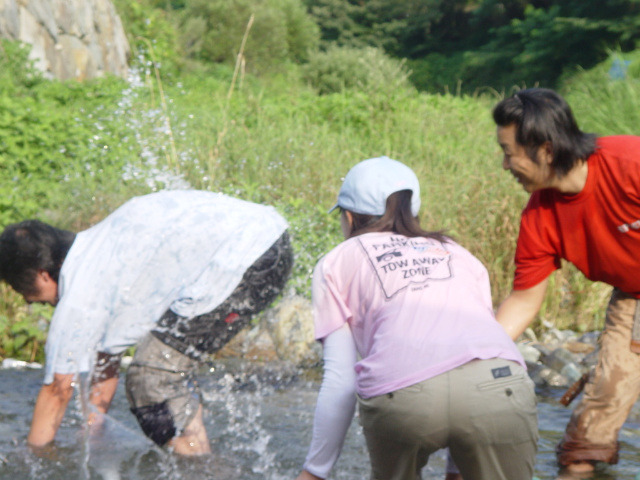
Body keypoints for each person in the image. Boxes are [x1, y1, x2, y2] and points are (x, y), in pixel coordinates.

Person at [295, 156, 538, 480]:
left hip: (403, 394)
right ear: (413, 212)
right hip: (500, 384)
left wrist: (316, 471)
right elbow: (470, 346)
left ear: (349, 217)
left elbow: (340, 380)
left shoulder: (336, 260)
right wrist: (456, 470)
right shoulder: (459, 253)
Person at [0, 189, 293, 455]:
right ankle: (195, 449)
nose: (28, 301)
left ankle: (204, 470)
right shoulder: (99, 252)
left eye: (23, 291)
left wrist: (35, 459)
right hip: (269, 238)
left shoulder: (78, 297)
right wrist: (92, 435)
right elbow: (105, 362)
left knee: (152, 380)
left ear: (42, 274)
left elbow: (57, 390)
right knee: (162, 371)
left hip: (247, 260)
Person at [493, 87, 640, 474]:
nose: (505, 165)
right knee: (597, 415)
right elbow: (524, 301)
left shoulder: (629, 161)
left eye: (509, 153)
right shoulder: (539, 217)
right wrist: (473, 352)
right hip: (635, 297)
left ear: (545, 150)